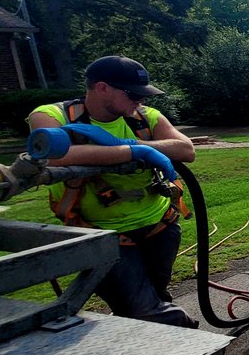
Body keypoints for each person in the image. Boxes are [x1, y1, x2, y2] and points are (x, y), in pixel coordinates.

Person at [28, 56, 198, 328]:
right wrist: (132, 151)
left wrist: (126, 143)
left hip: (159, 227)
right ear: (102, 88)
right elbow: (54, 156)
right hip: (102, 235)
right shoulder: (52, 115)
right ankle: (192, 338)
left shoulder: (145, 117)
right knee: (142, 309)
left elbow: (186, 149)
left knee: (152, 299)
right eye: (132, 95)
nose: (139, 102)